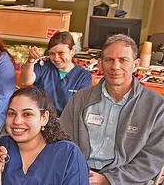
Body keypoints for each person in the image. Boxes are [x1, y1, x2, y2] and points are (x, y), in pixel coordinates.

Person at [60, 34, 164, 185]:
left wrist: (108, 179)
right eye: (109, 60)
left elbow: (153, 157)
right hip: (79, 175)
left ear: (136, 64)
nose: (115, 67)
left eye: (123, 60)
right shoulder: (80, 99)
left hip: (125, 180)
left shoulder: (156, 107)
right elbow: (63, 139)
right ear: (100, 64)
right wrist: (77, 172)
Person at [0, 87, 89, 185]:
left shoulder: (68, 155)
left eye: (27, 114)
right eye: (11, 113)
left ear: (44, 118)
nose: (17, 121)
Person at [19, 32, 92, 116]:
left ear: (72, 51)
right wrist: (31, 60)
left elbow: (81, 107)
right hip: (42, 119)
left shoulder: (83, 76)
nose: (56, 58)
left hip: (67, 122)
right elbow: (26, 81)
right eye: (52, 54)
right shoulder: (44, 66)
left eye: (61, 53)